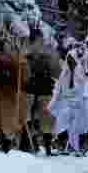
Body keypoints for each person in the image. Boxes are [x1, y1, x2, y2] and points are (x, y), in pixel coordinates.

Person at [26, 25, 62, 155]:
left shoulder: (48, 53)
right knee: (30, 116)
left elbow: (55, 70)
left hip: (45, 88)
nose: (38, 42)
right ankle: (33, 142)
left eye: (40, 39)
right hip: (30, 88)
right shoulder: (26, 54)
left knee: (46, 118)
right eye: (36, 39)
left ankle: (47, 145)